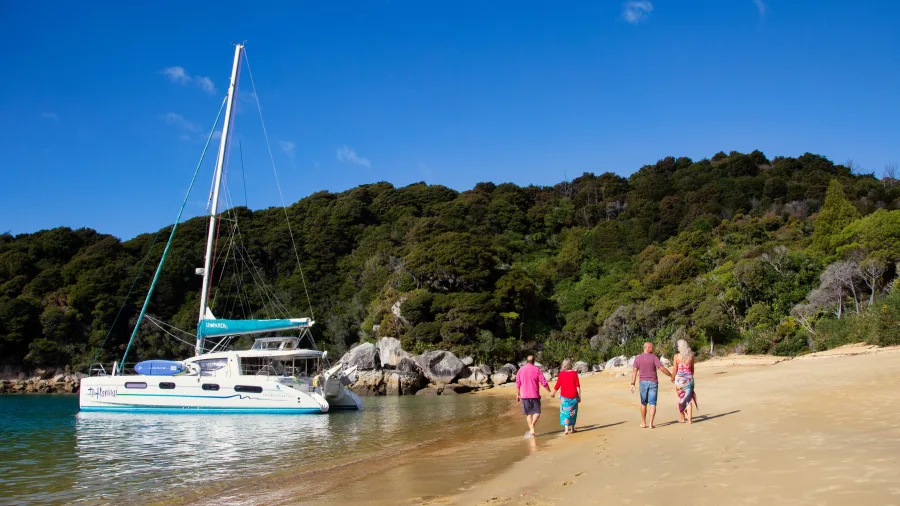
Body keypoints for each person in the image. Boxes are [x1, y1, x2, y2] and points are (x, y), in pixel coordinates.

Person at [629, 342, 673, 429]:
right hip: (653, 382)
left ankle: (643, 422)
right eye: (651, 347)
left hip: (643, 383)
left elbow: (634, 372)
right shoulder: (653, 357)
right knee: (652, 404)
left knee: (643, 403)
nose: (652, 349)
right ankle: (650, 424)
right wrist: (671, 375)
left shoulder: (638, 358)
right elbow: (662, 369)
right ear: (647, 347)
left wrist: (632, 384)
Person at [515, 355, 552, 438]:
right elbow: (543, 382)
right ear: (534, 361)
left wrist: (518, 394)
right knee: (537, 412)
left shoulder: (521, 370)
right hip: (534, 394)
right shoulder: (536, 369)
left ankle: (532, 430)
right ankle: (532, 425)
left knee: (528, 414)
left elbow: (518, 383)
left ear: (526, 361)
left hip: (524, 395)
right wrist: (549, 391)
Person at [671, 339, 698, 424]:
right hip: (689, 378)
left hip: (680, 380)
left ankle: (682, 418)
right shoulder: (691, 356)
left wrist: (672, 378)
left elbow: (675, 369)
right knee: (689, 399)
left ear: (680, 347)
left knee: (681, 398)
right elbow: (692, 369)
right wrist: (689, 377)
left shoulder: (676, 356)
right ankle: (690, 420)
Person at [551, 359, 581, 435]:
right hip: (573, 396)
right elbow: (578, 386)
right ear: (571, 364)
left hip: (564, 397)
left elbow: (558, 385)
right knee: (573, 412)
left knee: (565, 412)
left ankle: (566, 429)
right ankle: (573, 429)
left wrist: (553, 393)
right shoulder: (574, 373)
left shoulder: (561, 374)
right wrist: (579, 396)